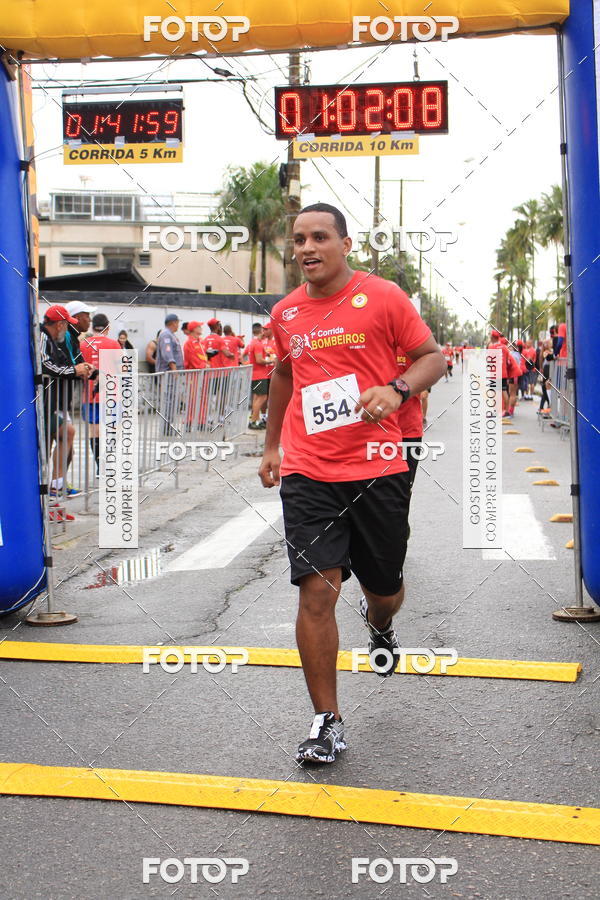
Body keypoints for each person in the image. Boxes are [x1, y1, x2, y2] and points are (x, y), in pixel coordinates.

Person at [258, 202, 446, 764]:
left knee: (384, 589)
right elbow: (285, 374)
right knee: (317, 591)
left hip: (380, 463)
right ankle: (326, 721)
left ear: (345, 244)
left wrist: (396, 389)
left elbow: (432, 359)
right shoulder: (286, 313)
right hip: (309, 469)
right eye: (299, 239)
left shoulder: (383, 297)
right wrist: (272, 446)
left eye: (319, 237)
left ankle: (380, 624)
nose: (307, 248)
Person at [40, 305, 91, 498]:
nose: (68, 329)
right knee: (53, 441)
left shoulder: (53, 340)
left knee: (66, 436)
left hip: (53, 402)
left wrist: (83, 369)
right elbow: (46, 365)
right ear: (60, 325)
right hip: (43, 403)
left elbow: (64, 363)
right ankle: (50, 487)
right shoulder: (43, 336)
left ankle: (56, 486)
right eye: (67, 324)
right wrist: (74, 370)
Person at [80, 313, 121, 475]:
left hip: (89, 393)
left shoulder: (83, 344)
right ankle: (107, 461)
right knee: (113, 428)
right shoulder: (114, 344)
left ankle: (99, 466)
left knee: (94, 429)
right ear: (107, 327)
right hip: (111, 392)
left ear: (92, 327)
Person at [156, 313, 184, 435]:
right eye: (177, 322)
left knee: (172, 401)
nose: (178, 325)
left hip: (172, 374)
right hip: (169, 373)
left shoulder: (171, 335)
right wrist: (174, 369)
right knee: (168, 401)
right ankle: (166, 428)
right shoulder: (166, 335)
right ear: (173, 322)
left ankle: (169, 426)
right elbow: (168, 354)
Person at [246, 322, 271, 430]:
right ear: (261, 331)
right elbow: (259, 360)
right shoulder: (258, 344)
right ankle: (253, 421)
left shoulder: (253, 342)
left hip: (256, 374)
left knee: (257, 398)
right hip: (260, 375)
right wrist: (271, 361)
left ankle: (254, 420)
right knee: (262, 397)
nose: (264, 331)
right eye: (263, 329)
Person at [64, 300, 96, 365]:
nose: (90, 320)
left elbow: (78, 364)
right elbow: (69, 366)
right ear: (77, 318)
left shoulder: (73, 337)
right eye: (87, 316)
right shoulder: (66, 336)